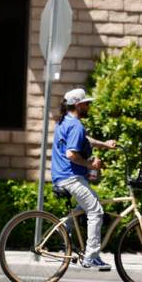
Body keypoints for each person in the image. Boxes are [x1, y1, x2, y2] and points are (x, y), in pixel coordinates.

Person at [50, 87, 117, 271]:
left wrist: (105, 145)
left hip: (61, 175)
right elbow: (71, 154)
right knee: (96, 211)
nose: (89, 106)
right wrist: (91, 165)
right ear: (78, 105)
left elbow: (83, 139)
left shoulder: (64, 122)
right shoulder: (76, 125)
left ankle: (63, 227)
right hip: (70, 177)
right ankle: (91, 257)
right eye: (87, 103)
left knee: (87, 205)